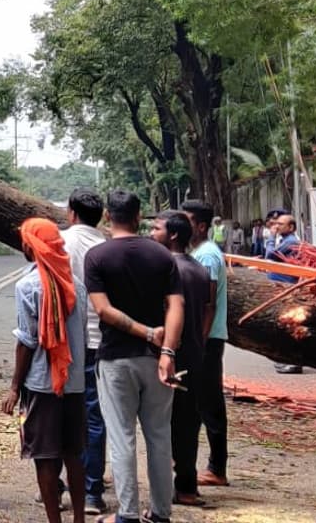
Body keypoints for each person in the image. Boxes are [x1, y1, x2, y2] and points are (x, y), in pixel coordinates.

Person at [84, 190, 183, 523]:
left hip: (115, 359)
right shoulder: (162, 256)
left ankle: (126, 515)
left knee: (121, 437)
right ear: (138, 216)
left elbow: (103, 310)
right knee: (159, 436)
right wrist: (167, 349)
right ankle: (160, 513)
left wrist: (144, 332)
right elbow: (176, 307)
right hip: (156, 360)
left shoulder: (97, 257)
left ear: (108, 217)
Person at [2, 218, 87, 523]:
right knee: (73, 454)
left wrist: (14, 387)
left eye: (26, 240)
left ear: (33, 246)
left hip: (41, 384)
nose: (23, 245)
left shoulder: (27, 286)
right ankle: (79, 518)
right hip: (74, 381)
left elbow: (26, 342)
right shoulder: (76, 285)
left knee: (45, 457)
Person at [151, 212, 212, 508]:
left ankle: (163, 489)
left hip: (169, 356)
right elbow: (207, 311)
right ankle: (187, 485)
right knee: (188, 423)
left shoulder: (165, 269)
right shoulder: (199, 269)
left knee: (162, 423)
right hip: (194, 354)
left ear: (173, 235)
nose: (151, 233)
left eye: (156, 228)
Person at [61, 188, 108, 515]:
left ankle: (58, 483)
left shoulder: (58, 243)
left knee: (58, 414)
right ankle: (92, 492)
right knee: (94, 415)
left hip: (64, 341)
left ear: (71, 212)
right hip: (98, 340)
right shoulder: (107, 248)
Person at [181, 200, 230, 490]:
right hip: (204, 338)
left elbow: (207, 305)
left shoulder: (208, 256)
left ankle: (217, 468)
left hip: (207, 339)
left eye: (187, 220)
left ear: (200, 225)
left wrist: (197, 342)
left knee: (209, 402)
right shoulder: (198, 253)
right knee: (200, 402)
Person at [266, 213, 305, 375]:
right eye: (276, 224)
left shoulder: (291, 243)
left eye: (281, 224)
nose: (277, 226)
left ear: (291, 227)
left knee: (290, 326)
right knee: (284, 325)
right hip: (282, 288)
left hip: (287, 289)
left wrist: (270, 238)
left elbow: (270, 256)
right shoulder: (286, 241)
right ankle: (288, 360)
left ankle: (294, 362)